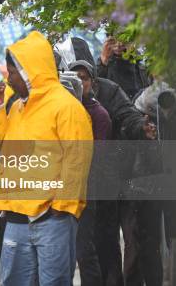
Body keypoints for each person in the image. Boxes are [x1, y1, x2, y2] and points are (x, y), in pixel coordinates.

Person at [0, 31, 93, 285]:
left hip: (52, 219)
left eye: (12, 71)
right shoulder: (19, 106)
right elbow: (4, 145)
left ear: (30, 71)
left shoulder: (66, 107)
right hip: (17, 218)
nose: (7, 78)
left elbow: (76, 161)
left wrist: (61, 210)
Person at [70, 37, 158, 286]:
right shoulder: (67, 100)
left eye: (84, 77)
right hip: (95, 184)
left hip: (126, 174)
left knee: (133, 240)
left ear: (93, 78)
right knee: (102, 245)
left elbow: (128, 114)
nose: (80, 83)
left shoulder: (109, 89)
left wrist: (143, 127)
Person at [68, 57, 112, 286]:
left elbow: (98, 158)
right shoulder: (63, 109)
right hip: (63, 190)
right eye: (74, 77)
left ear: (92, 83)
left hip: (86, 191)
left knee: (84, 251)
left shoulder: (99, 114)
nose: (79, 82)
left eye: (83, 78)